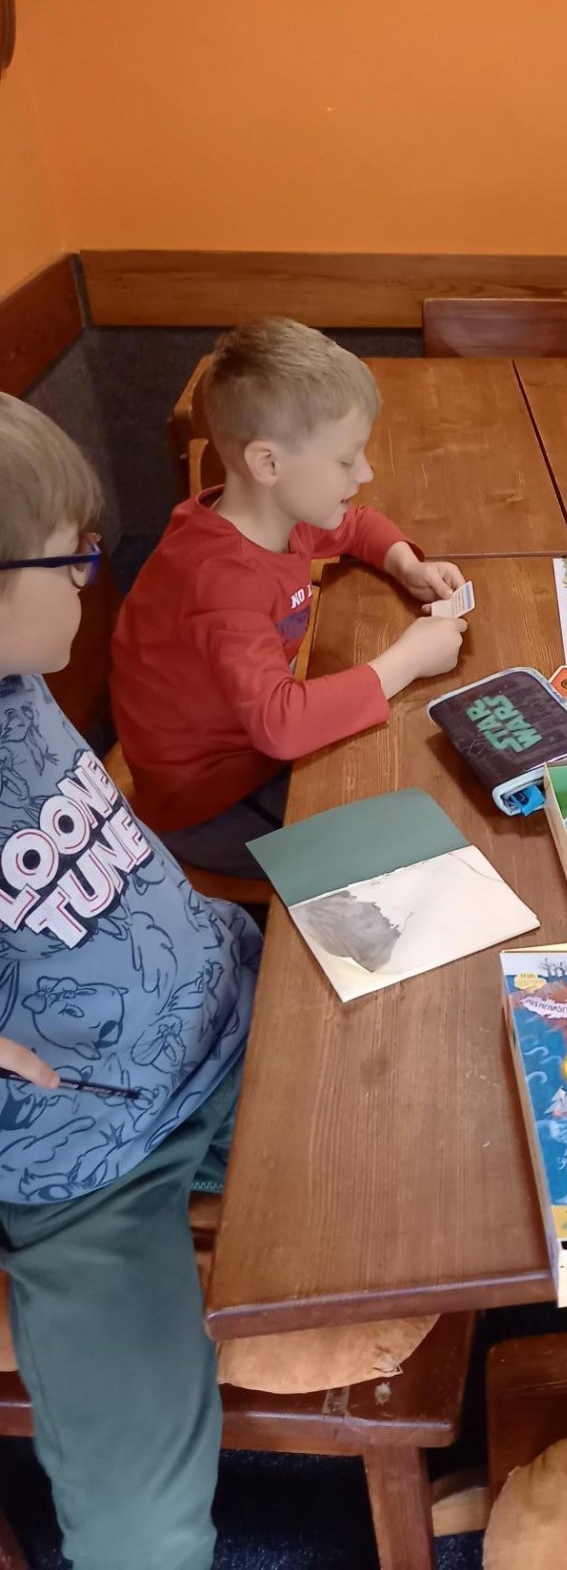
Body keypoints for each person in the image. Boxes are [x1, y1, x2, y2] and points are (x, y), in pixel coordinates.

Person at [0, 394, 261, 1569]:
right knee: (141, 1533)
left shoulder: (20, 674)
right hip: (89, 1163)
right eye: (72, 557)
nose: (86, 579)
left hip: (234, 1014)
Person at [111, 318, 469, 877]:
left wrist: (406, 563)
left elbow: (357, 525)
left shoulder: (276, 515)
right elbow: (281, 724)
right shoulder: (220, 582)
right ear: (268, 463)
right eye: (346, 460)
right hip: (209, 806)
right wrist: (409, 659)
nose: (366, 472)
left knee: (412, 786)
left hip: (257, 753)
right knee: (408, 852)